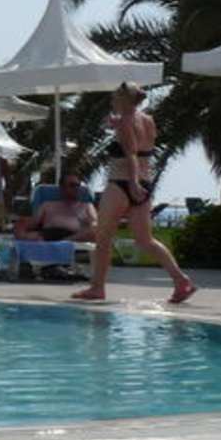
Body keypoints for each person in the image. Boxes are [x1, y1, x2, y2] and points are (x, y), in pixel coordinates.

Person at [75, 83, 196, 304]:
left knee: (103, 237)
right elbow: (142, 149)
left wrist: (132, 183)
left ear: (123, 100)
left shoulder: (125, 122)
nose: (112, 101)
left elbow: (131, 154)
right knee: (145, 240)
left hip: (122, 184)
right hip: (145, 183)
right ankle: (181, 280)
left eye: (114, 98)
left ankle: (97, 287)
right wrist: (118, 128)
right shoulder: (147, 120)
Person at [14, 175, 96, 242]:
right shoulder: (48, 205)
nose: (76, 188)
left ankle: (61, 243)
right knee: (20, 225)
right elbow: (33, 222)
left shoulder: (87, 206)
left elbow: (95, 225)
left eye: (78, 185)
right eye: (72, 185)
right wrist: (21, 224)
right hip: (47, 236)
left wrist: (87, 223)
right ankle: (58, 244)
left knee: (93, 232)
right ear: (62, 188)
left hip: (75, 237)